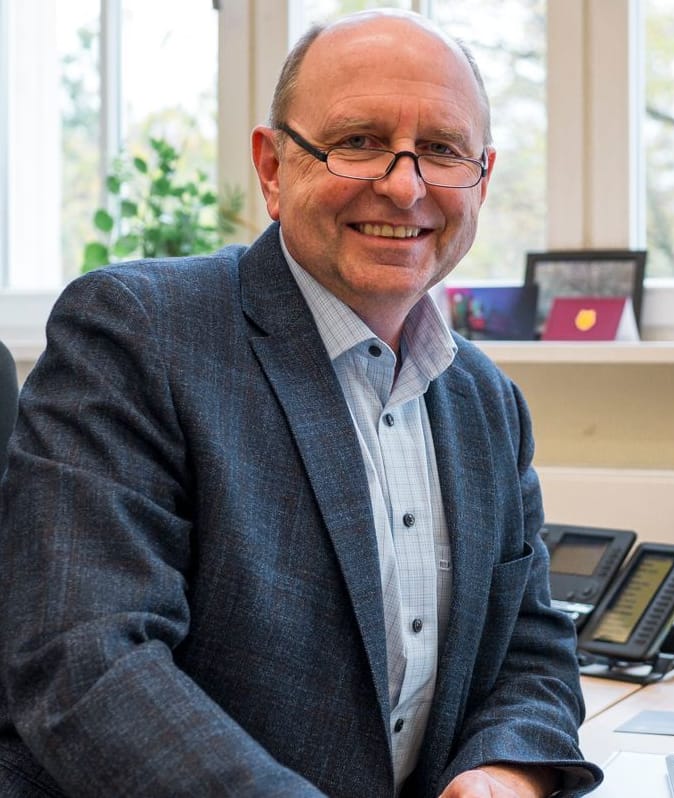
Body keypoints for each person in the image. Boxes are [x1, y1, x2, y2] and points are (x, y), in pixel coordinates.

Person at [0, 10, 601, 797]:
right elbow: (86, 661)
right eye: (358, 141)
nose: (405, 184)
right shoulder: (139, 333)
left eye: (442, 150)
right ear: (273, 168)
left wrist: (505, 771)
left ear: (481, 178)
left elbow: (530, 651)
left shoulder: (487, 402)